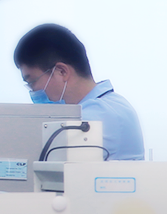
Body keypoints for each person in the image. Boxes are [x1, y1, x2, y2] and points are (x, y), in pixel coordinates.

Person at [16, 24, 144, 160]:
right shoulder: (110, 104)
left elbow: (41, 156)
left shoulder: (98, 115)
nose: (33, 91)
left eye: (32, 82)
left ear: (61, 72)